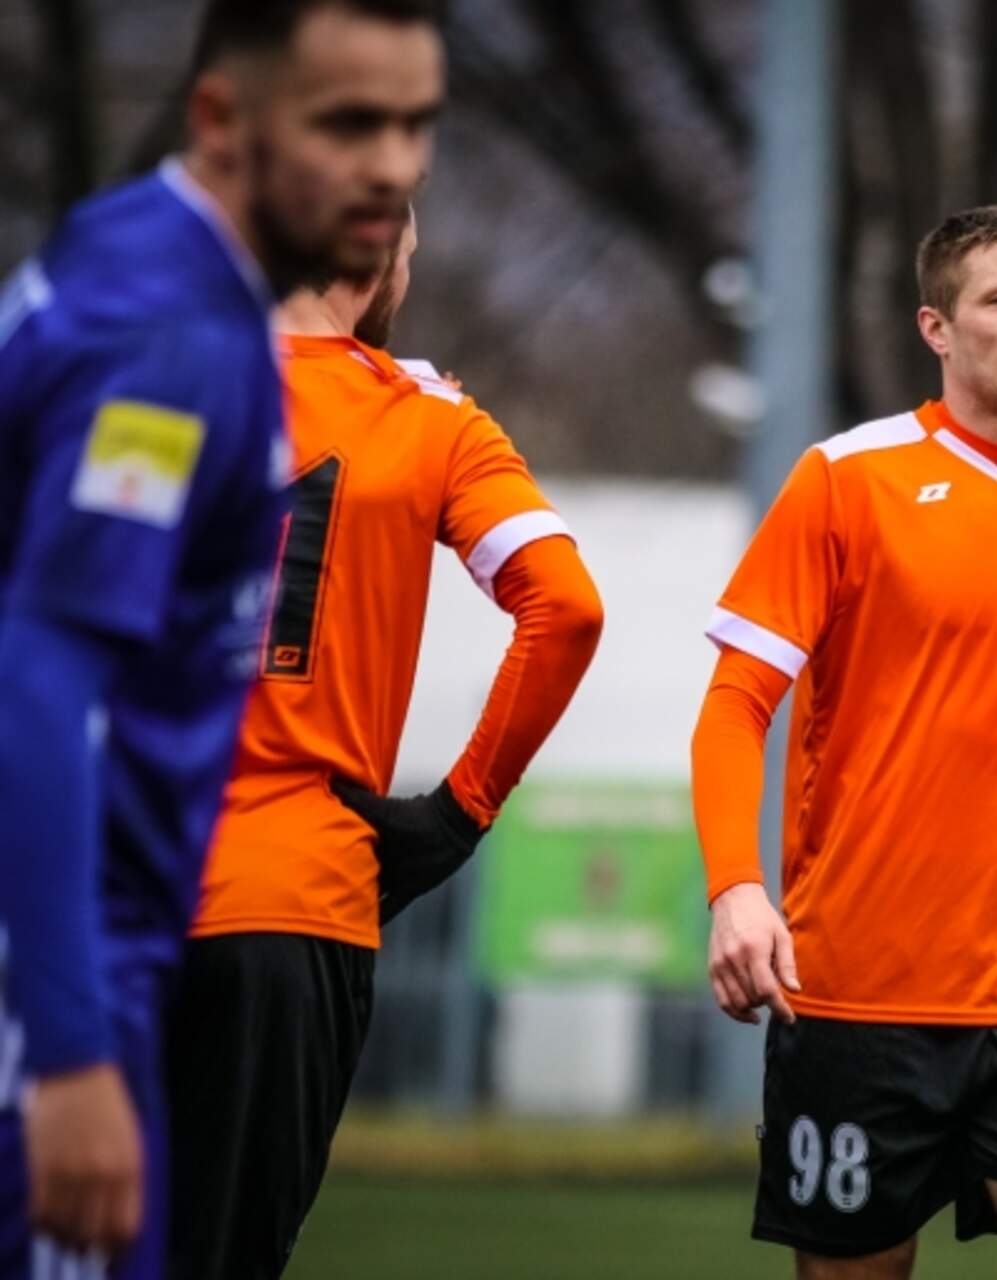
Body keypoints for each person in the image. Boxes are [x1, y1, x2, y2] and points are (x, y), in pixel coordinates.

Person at [0, 1, 445, 1275]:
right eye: (346, 123)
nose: (389, 167)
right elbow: (44, 677)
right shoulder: (168, 342)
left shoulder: (145, 255)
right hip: (69, 974)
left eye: (412, 125)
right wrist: (72, 1046)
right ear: (221, 117)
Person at [691, 205, 997, 1279]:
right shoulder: (845, 479)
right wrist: (736, 888)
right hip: (858, 997)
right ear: (937, 327)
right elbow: (737, 702)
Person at [164, 207, 603, 1279]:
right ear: (374, 254)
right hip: (285, 896)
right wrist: (458, 812)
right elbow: (567, 608)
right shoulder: (425, 416)